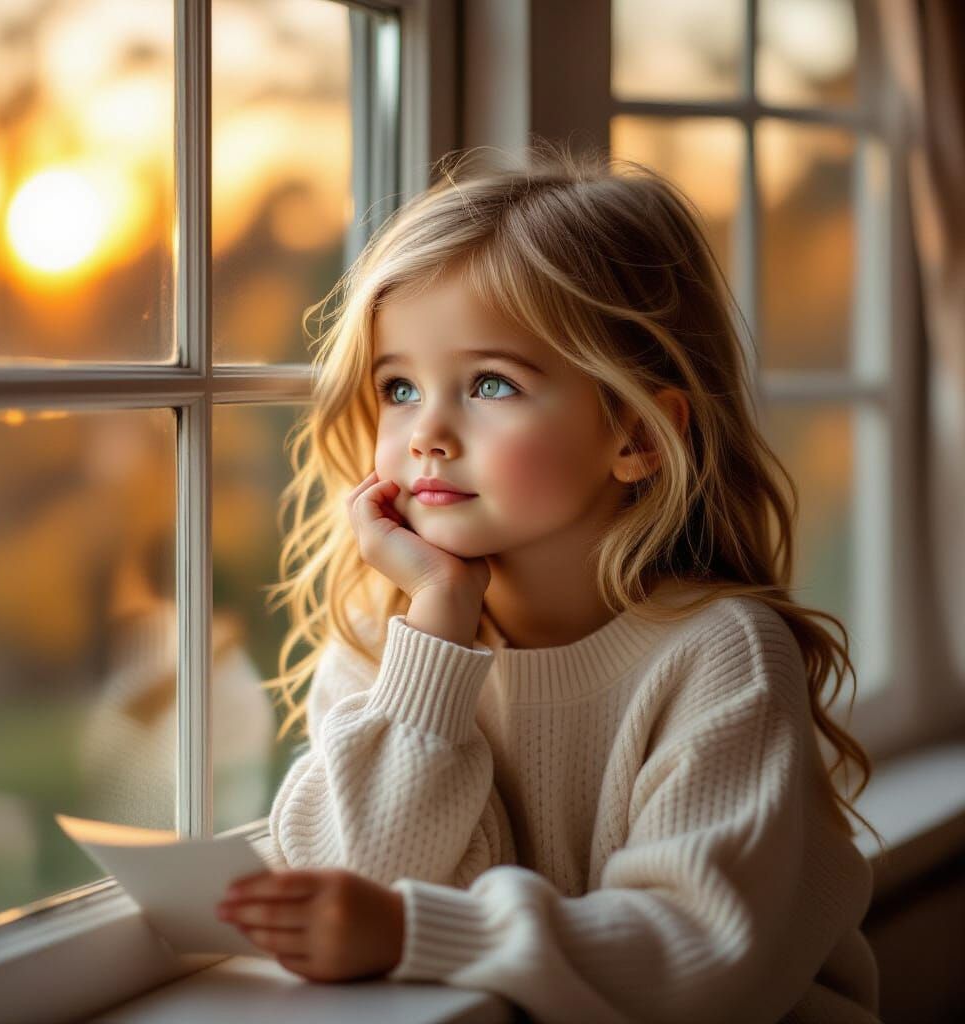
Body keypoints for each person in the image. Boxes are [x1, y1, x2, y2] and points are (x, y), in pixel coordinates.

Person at [214, 142, 887, 1024]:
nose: (427, 433)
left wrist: (422, 935)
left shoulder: (720, 655)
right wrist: (440, 631)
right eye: (400, 386)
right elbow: (359, 887)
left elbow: (700, 955)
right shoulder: (391, 641)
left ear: (639, 435)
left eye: (491, 383)